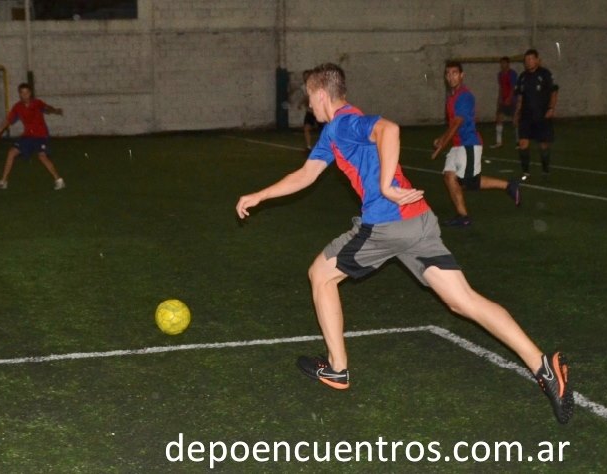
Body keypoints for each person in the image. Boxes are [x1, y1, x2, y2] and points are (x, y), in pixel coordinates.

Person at [236, 63, 573, 424]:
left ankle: (337, 368)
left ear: (321, 95)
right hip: (418, 221)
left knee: (321, 275)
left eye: (309, 97)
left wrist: (384, 185)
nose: (308, 105)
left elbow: (390, 129)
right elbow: (306, 174)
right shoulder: (334, 132)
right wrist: (260, 195)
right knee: (463, 300)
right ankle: (543, 367)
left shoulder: (344, 123)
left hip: (387, 224)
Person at [431, 61, 520, 227]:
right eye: (448, 73)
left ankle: (508, 185)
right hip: (457, 145)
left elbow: (457, 122)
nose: (451, 77)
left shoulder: (465, 96)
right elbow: (453, 124)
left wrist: (442, 142)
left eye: (454, 73)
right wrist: (443, 138)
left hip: (468, 144)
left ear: (461, 75)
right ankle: (463, 216)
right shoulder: (452, 97)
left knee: (469, 183)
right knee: (449, 176)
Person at [0, 82, 66, 191]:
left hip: (41, 135)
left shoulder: (37, 103)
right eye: (22, 93)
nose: (25, 95)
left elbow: (47, 107)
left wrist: (55, 110)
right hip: (28, 135)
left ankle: (59, 180)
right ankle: (3, 181)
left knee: (42, 156)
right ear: (19, 94)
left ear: (30, 93)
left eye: (27, 93)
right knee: (11, 152)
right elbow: (7, 120)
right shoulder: (17, 107)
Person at [513, 49, 558, 181]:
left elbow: (554, 92)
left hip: (542, 116)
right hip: (526, 117)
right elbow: (520, 97)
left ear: (538, 60)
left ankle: (545, 170)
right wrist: (517, 113)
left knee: (543, 145)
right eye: (526, 60)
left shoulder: (545, 74)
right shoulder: (522, 77)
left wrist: (551, 108)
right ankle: (526, 172)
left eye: (531, 59)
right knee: (523, 143)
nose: (528, 62)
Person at [490, 56, 518, 149]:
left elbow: (513, 87)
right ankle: (499, 142)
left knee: (515, 120)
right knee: (499, 118)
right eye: (501, 63)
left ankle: (518, 142)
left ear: (508, 64)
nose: (502, 65)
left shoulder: (512, 74)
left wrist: (509, 98)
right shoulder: (500, 75)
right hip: (503, 101)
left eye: (504, 63)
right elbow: (501, 88)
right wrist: (499, 99)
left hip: (513, 101)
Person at [299, 69, 322, 151]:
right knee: (306, 128)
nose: (306, 78)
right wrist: (300, 103)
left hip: (318, 111)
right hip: (309, 111)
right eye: (304, 76)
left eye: (307, 76)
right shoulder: (303, 87)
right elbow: (305, 97)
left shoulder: (316, 86)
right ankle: (308, 146)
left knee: (323, 130)